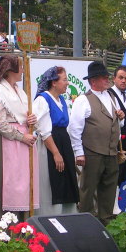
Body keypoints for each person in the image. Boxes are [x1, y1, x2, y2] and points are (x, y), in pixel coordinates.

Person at [68, 61, 123, 225]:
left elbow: (117, 124)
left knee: (109, 190)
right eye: (104, 77)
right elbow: (74, 129)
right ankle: (85, 223)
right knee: (87, 190)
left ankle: (106, 222)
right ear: (93, 81)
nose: (108, 79)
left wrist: (120, 118)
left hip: (111, 152)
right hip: (92, 152)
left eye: (107, 76)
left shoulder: (112, 97)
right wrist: (79, 152)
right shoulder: (83, 100)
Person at [0, 55, 38, 217]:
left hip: (25, 144)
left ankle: (24, 226)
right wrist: (21, 137)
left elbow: (25, 116)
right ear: (11, 70)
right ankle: (7, 228)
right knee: (10, 185)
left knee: (25, 186)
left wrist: (31, 120)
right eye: (21, 67)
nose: (23, 71)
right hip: (9, 144)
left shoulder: (20, 91)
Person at [33, 66, 79, 215]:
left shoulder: (61, 100)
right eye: (64, 80)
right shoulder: (43, 99)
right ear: (53, 82)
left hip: (63, 143)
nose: (67, 83)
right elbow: (44, 131)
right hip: (50, 145)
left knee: (66, 180)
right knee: (51, 182)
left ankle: (66, 216)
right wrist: (56, 153)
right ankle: (50, 217)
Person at [107, 65, 126, 185]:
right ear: (114, 78)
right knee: (110, 176)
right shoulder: (107, 96)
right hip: (112, 143)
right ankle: (109, 203)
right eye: (120, 77)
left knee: (122, 176)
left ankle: (116, 203)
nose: (123, 81)